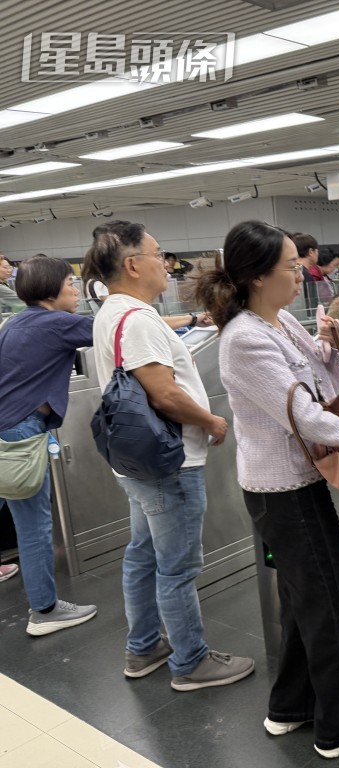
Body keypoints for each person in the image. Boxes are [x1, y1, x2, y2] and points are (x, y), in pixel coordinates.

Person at [194, 220, 339, 760]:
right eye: (290, 265)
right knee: (333, 600)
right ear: (258, 276)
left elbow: (318, 382)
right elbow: (304, 416)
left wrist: (329, 346)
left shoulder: (279, 320)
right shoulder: (244, 339)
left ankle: (291, 705)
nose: (300, 273)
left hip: (295, 481)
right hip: (282, 490)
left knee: (302, 599)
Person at [83, 221, 255, 688]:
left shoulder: (112, 313)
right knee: (177, 566)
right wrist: (210, 421)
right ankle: (190, 661)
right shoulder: (138, 320)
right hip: (169, 464)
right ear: (133, 264)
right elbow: (163, 394)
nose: (168, 263)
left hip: (135, 464)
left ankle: (143, 648)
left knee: (142, 554)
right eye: (159, 254)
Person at [0, 255, 98, 635]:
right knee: (34, 525)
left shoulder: (18, 321)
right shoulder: (55, 322)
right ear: (51, 289)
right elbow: (115, 329)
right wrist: (191, 320)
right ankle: (44, 610)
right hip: (21, 432)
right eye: (70, 284)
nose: (75, 290)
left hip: (8, 428)